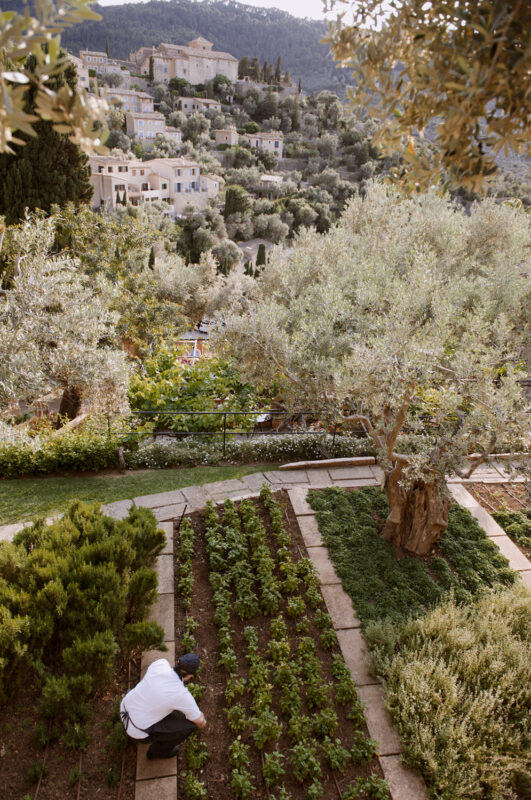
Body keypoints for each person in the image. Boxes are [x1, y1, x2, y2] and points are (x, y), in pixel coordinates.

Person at [120, 654, 206, 759]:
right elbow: (199, 721)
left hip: (124, 707)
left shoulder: (160, 664)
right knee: (189, 726)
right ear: (189, 676)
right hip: (137, 731)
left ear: (177, 662)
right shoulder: (180, 694)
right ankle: (157, 752)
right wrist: (201, 719)